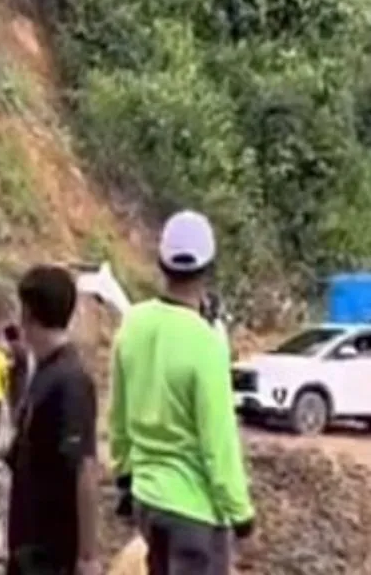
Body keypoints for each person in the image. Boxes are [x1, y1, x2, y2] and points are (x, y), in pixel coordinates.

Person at [109, 210, 254, 575]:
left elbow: (118, 415)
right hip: (195, 514)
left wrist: (124, 473)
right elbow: (218, 440)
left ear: (161, 264)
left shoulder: (132, 325)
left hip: (147, 501)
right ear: (208, 268)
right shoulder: (207, 344)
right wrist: (240, 512)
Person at [5, 265, 101, 575]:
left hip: (52, 553)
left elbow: (84, 468)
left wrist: (87, 557)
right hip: (29, 548)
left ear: (28, 314)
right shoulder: (45, 372)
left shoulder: (70, 381)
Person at [3, 323, 31, 423]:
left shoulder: (12, 347)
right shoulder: (25, 347)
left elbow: (11, 363)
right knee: (21, 400)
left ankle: (15, 421)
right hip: (23, 377)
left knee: (14, 401)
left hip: (14, 379)